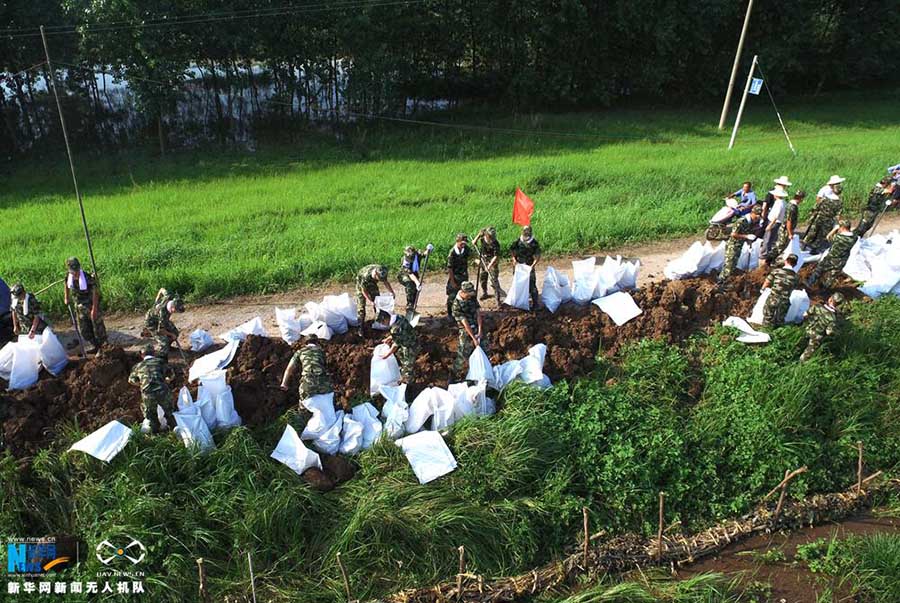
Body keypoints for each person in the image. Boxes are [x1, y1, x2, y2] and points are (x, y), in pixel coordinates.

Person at [128, 344, 175, 434]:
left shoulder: (138, 366)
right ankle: (175, 430)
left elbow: (131, 380)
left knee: (151, 416)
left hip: (148, 393)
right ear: (154, 353)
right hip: (162, 391)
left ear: (142, 355)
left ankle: (155, 434)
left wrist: (142, 384)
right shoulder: (160, 362)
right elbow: (171, 375)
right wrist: (167, 380)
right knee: (169, 412)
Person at [64, 257, 107, 349]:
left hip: (91, 305)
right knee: (84, 330)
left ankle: (104, 347)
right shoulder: (69, 276)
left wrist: (94, 309)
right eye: (73, 271)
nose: (75, 273)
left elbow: (95, 293)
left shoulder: (87, 278)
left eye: (76, 270)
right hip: (79, 307)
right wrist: (66, 297)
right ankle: (95, 346)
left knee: (98, 328)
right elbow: (66, 285)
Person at [280, 335, 333, 405]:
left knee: (305, 407)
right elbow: (327, 367)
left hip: (307, 384)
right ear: (317, 343)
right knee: (327, 405)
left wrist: (284, 384)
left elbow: (289, 369)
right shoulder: (321, 351)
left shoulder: (300, 352)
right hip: (323, 383)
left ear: (305, 343)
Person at [806, 220, 859, 288]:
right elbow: (853, 234)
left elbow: (828, 237)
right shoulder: (854, 238)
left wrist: (834, 229)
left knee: (819, 270)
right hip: (841, 261)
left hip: (831, 259)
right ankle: (823, 291)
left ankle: (809, 284)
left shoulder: (838, 237)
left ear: (842, 227)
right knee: (831, 277)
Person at [451, 281, 487, 379]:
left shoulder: (471, 297)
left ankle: (485, 372)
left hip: (475, 325)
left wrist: (480, 330)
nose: (471, 295)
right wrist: (474, 339)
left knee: (485, 348)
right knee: (463, 353)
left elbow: (478, 314)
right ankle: (455, 375)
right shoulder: (456, 305)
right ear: (463, 292)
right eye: (469, 294)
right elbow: (465, 323)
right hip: (465, 329)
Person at [717, 205, 761, 285]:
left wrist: (749, 243)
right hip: (733, 245)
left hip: (738, 246)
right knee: (729, 265)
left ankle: (726, 281)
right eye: (757, 215)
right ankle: (721, 282)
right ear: (752, 213)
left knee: (733, 265)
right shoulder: (741, 221)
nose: (758, 217)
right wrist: (746, 236)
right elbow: (733, 234)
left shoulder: (750, 222)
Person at [802, 176, 844, 253]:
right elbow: (839, 214)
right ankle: (814, 249)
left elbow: (816, 206)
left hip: (820, 217)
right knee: (821, 235)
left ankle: (804, 245)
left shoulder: (825, 199)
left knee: (813, 231)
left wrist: (812, 215)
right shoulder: (840, 202)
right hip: (829, 220)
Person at [800, 293, 845, 362]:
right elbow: (829, 332)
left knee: (800, 342)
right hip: (817, 336)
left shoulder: (817, 306)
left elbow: (805, 314)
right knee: (809, 351)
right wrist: (836, 333)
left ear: (830, 299)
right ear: (839, 304)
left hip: (807, 329)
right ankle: (801, 363)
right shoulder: (833, 318)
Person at [144, 288, 185, 358]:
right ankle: (161, 356)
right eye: (176, 311)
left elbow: (161, 289)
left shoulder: (168, 297)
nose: (176, 312)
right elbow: (161, 330)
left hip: (160, 319)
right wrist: (171, 334)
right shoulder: (163, 314)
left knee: (175, 332)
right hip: (152, 323)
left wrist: (156, 301)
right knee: (164, 341)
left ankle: (168, 347)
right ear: (172, 308)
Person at [767, 190, 805, 263]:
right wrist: (790, 233)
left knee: (780, 246)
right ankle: (769, 261)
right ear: (801, 198)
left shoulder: (790, 204)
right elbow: (789, 221)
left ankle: (770, 260)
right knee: (780, 247)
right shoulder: (792, 207)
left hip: (785, 228)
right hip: (785, 230)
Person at [509, 225, 542, 310]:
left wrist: (532, 266)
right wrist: (514, 260)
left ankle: (535, 304)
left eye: (528, 233)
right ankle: (518, 302)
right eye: (525, 233)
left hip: (528, 266)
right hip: (519, 266)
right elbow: (512, 251)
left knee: (532, 285)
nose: (526, 235)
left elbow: (537, 257)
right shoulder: (517, 241)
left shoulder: (534, 243)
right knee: (518, 284)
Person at [761, 255, 800, 327]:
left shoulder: (776, 271)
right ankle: (777, 333)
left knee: (768, 318)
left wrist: (762, 289)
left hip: (773, 298)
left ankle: (765, 331)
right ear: (795, 264)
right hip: (784, 301)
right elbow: (795, 287)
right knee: (780, 320)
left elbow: (767, 281)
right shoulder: (796, 276)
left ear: (786, 261)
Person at [355, 264, 395, 335]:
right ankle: (360, 327)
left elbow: (386, 282)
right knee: (361, 307)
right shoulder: (365, 276)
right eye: (380, 279)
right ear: (376, 274)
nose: (381, 280)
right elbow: (363, 291)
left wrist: (392, 292)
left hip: (372, 284)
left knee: (377, 302)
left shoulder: (381, 271)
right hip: (361, 287)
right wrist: (370, 301)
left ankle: (379, 322)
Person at [380, 315, 418, 383]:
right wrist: (389, 338)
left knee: (408, 364)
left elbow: (395, 345)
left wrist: (387, 354)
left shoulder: (395, 329)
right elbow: (401, 331)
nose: (383, 325)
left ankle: (408, 382)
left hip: (410, 345)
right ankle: (405, 369)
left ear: (385, 319)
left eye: (383, 323)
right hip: (413, 337)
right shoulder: (399, 317)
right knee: (399, 354)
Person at [473, 226, 505, 302]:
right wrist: (477, 238)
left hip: (492, 262)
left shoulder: (496, 243)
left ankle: (498, 298)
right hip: (483, 260)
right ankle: (485, 293)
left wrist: (489, 266)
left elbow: (496, 256)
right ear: (487, 235)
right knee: (483, 278)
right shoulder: (482, 237)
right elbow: (474, 242)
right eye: (490, 237)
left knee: (494, 280)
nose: (491, 238)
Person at [446, 233, 471, 319]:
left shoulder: (466, 249)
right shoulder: (452, 253)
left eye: (465, 243)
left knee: (465, 294)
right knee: (452, 296)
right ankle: (450, 314)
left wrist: (478, 262)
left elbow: (472, 256)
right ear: (458, 241)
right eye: (462, 243)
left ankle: (463, 311)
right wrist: (452, 282)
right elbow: (450, 269)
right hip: (455, 277)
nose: (463, 245)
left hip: (464, 276)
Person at [761, 188, 788, 262]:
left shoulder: (779, 203)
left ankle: (764, 254)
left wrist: (770, 225)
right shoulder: (782, 202)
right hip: (775, 222)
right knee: (769, 238)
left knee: (767, 239)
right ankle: (766, 253)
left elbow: (776, 216)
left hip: (773, 222)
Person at [397, 246, 427, 310]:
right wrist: (417, 282)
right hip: (403, 275)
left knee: (415, 291)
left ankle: (413, 305)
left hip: (414, 274)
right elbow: (410, 273)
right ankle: (409, 304)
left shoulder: (417, 254)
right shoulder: (405, 261)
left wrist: (429, 249)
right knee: (410, 283)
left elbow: (424, 254)